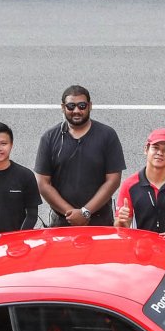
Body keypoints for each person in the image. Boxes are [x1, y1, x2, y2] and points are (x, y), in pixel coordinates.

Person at [35, 85, 125, 228]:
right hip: (62, 221)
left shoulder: (107, 135)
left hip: (100, 221)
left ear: (90, 106)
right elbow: (43, 183)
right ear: (63, 107)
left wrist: (85, 212)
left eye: (82, 106)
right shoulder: (49, 137)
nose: (76, 110)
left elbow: (113, 180)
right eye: (71, 106)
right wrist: (71, 213)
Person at [114, 130, 165, 234]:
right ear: (146, 149)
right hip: (142, 248)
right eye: (155, 148)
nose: (160, 153)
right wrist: (121, 221)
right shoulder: (129, 185)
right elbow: (121, 229)